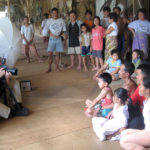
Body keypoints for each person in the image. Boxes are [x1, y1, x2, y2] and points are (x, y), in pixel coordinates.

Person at [120, 77, 150, 150]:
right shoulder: (146, 101)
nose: (139, 87)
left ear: (147, 90)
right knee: (124, 133)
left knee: (124, 141)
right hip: (147, 130)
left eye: (141, 86)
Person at [46, 8, 66, 72]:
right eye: (53, 13)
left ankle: (57, 67)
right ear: (51, 14)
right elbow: (47, 30)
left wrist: (59, 35)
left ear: (58, 14)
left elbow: (63, 30)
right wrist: (52, 34)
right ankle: (49, 67)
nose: (55, 14)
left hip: (58, 39)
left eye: (56, 13)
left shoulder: (61, 20)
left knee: (58, 54)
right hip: (51, 39)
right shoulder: (49, 21)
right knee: (50, 54)